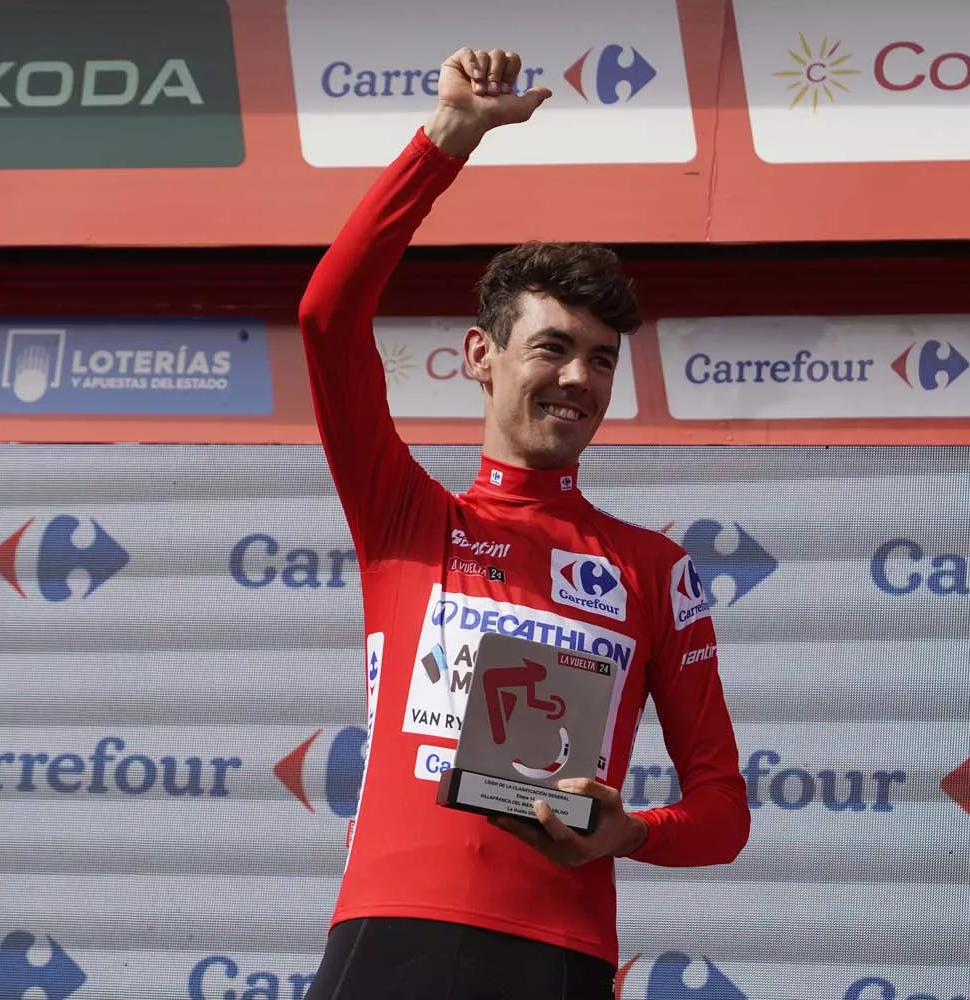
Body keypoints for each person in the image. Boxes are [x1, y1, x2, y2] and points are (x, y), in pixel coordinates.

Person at [296, 45, 750, 1000]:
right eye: (552, 347)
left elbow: (723, 814)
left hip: (561, 953)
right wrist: (445, 142)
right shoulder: (407, 516)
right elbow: (328, 316)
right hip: (395, 933)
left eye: (601, 358)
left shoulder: (651, 567)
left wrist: (631, 833)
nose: (580, 378)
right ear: (481, 355)